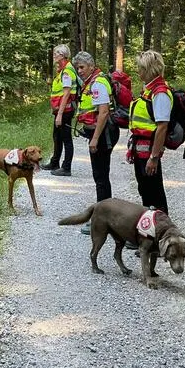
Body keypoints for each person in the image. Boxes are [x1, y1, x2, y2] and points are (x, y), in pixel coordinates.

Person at [73, 51, 120, 234]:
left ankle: (102, 220)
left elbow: (103, 112)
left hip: (102, 135)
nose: (79, 71)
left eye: (82, 67)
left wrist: (94, 139)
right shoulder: (92, 82)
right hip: (100, 134)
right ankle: (106, 217)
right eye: (77, 68)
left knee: (100, 177)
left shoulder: (98, 83)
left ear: (91, 66)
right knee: (100, 176)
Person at [127, 50, 176, 216]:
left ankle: (162, 226)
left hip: (149, 151)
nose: (138, 71)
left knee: (154, 192)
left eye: (140, 68)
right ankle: (149, 225)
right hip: (140, 149)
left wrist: (154, 157)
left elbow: (162, 126)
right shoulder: (149, 90)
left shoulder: (160, 93)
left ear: (149, 70)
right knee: (145, 190)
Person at [42, 44, 77, 177]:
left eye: (56, 53)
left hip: (65, 111)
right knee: (57, 136)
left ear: (62, 56)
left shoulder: (67, 71)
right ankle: (54, 162)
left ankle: (66, 167)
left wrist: (60, 115)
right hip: (60, 110)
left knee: (66, 138)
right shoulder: (62, 70)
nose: (54, 56)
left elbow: (66, 93)